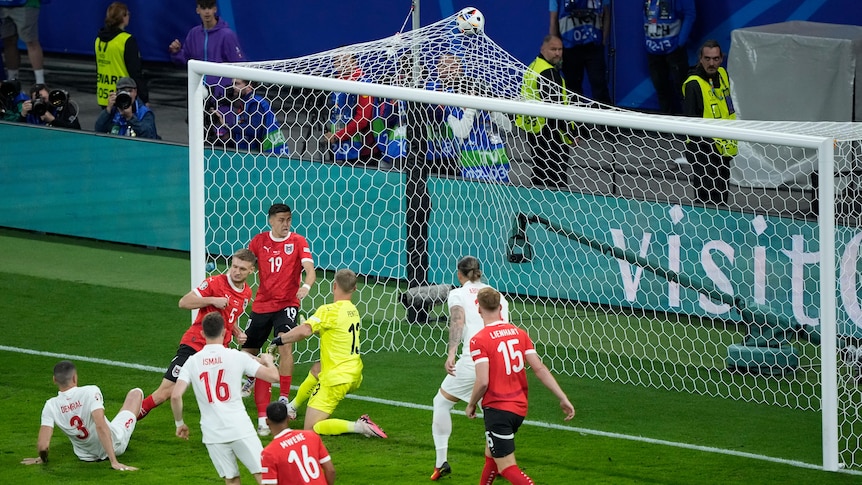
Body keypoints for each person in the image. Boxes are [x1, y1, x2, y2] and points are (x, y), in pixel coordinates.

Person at [466, 287, 575, 484]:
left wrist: (471, 403)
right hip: (518, 409)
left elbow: (482, 381)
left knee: (507, 466)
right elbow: (539, 369)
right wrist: (562, 397)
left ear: (479, 309)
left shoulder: (478, 340)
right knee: (492, 456)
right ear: (500, 307)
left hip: (498, 410)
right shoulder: (519, 334)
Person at [137, 248, 256, 421]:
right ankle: (125, 422)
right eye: (234, 266)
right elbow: (184, 302)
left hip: (219, 350)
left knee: (221, 397)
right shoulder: (214, 283)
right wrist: (212, 300)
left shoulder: (246, 293)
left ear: (251, 270)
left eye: (242, 269)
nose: (236, 272)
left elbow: (230, 317)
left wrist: (237, 332)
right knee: (165, 393)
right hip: (196, 344)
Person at [272, 269, 388, 439]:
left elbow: (304, 332)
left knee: (311, 429)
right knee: (316, 369)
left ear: (334, 286)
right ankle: (293, 406)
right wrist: (314, 327)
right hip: (354, 374)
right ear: (355, 289)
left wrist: (280, 340)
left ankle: (359, 426)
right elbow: (332, 331)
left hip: (336, 379)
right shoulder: (353, 311)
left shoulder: (328, 310)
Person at [171, 312, 280, 485]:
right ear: (224, 333)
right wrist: (269, 361)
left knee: (231, 479)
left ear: (202, 333)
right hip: (239, 428)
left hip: (212, 433)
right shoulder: (237, 356)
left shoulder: (192, 362)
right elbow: (274, 377)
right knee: (263, 476)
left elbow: (176, 396)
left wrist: (180, 424)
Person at [430, 256, 509, 480]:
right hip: (500, 360)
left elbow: (457, 321)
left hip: (474, 359)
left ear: (459, 274)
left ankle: (441, 462)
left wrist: (451, 354)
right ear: (480, 272)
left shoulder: (457, 294)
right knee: (492, 412)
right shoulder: (498, 295)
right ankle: (502, 463)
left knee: (442, 402)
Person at [242, 203, 316, 436]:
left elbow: (310, 269)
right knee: (246, 349)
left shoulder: (298, 241)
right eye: (282, 220)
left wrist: (305, 286)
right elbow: (246, 262)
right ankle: (253, 377)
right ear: (271, 220)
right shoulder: (258, 241)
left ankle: (283, 396)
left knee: (285, 344)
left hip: (287, 304)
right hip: (262, 303)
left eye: (289, 219)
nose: (286, 224)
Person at [21, 360, 143, 471]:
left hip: (85, 456)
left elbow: (43, 446)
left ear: (54, 380)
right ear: (74, 378)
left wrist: (42, 459)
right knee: (136, 393)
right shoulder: (90, 391)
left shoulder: (50, 405)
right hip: (116, 445)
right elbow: (100, 425)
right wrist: (114, 461)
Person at [516, 35, 582, 190]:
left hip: (534, 130)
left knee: (540, 173)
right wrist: (570, 135)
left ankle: (534, 208)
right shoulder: (548, 73)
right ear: (543, 49)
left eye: (560, 49)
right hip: (550, 134)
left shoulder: (534, 66)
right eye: (553, 49)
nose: (558, 53)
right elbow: (554, 110)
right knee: (555, 179)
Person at [435, 54, 513, 182]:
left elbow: (508, 128)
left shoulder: (487, 108)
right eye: (444, 66)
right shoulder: (451, 108)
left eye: (453, 65)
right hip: (471, 166)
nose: (449, 69)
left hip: (497, 164)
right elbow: (462, 133)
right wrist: (470, 108)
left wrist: (492, 109)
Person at [682, 40, 738, 206]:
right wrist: (710, 148)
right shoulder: (694, 84)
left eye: (715, 59)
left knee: (721, 200)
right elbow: (691, 124)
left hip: (723, 149)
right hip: (703, 150)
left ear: (721, 59)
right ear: (700, 59)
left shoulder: (723, 74)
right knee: (707, 203)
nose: (711, 63)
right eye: (707, 58)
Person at [169, 0, 244, 97]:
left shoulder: (227, 35)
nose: (207, 12)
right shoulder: (193, 34)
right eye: (203, 8)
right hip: (198, 94)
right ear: (198, 10)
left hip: (222, 96)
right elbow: (185, 59)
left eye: (210, 7)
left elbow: (239, 64)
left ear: (215, 9)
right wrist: (176, 53)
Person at [550, 0, 612, 105]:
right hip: (569, 47)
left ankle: (605, 120)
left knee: (600, 86)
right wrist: (556, 49)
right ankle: (575, 120)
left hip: (594, 45)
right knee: (572, 90)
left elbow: (606, 14)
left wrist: (603, 41)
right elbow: (553, 20)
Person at [323, 53, 380, 166]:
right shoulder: (336, 84)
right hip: (340, 147)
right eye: (337, 61)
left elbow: (362, 119)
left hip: (364, 150)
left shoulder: (363, 83)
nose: (342, 64)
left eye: (345, 59)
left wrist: (337, 136)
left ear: (354, 62)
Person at [261, 401, 336, 485]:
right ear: (288, 418)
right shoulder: (311, 436)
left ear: (267, 421)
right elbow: (330, 470)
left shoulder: (269, 453)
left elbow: (270, 483)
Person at [211, 78, 289, 156]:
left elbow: (254, 130)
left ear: (249, 86)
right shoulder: (245, 103)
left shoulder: (255, 104)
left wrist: (226, 125)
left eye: (237, 84)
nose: (233, 87)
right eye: (232, 84)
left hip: (272, 155)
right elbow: (242, 133)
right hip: (264, 154)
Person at [643, 0, 696, 114]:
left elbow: (690, 13)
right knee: (661, 89)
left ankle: (689, 127)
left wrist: (680, 42)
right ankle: (666, 128)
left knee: (683, 89)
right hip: (653, 50)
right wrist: (648, 40)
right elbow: (646, 13)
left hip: (674, 50)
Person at [95, 2, 148, 108]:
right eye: (127, 14)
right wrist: (144, 97)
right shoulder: (126, 40)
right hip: (123, 96)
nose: (129, 16)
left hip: (104, 95)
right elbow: (135, 71)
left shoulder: (98, 40)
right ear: (123, 17)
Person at [94, 76, 160, 139]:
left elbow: (149, 136)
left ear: (135, 92)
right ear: (116, 92)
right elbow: (98, 130)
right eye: (122, 91)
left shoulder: (144, 113)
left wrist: (130, 118)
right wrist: (107, 110)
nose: (127, 94)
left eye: (130, 91)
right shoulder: (113, 110)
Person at [0, 0, 44, 84]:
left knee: (31, 42)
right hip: (2, 5)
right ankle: (12, 80)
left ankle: (40, 83)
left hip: (27, 4)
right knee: (8, 41)